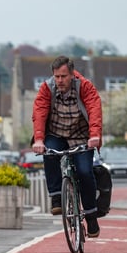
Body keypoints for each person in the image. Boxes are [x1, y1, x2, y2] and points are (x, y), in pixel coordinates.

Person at [32, 55, 103, 238]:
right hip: (57, 133)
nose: (60, 81)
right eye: (57, 76)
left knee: (85, 172)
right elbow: (39, 112)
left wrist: (94, 136)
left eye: (63, 76)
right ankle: (56, 196)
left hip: (81, 136)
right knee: (49, 153)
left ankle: (91, 215)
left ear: (72, 74)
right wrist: (39, 140)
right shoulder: (47, 88)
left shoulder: (84, 86)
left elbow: (95, 109)